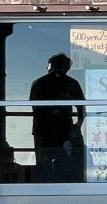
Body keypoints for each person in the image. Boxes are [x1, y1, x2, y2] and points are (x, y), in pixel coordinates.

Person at [30, 53, 86, 182]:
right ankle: (62, 183)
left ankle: (43, 185)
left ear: (50, 66)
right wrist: (78, 123)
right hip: (64, 128)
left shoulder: (38, 82)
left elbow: (33, 105)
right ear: (65, 68)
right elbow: (81, 105)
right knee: (66, 159)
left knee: (43, 160)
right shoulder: (71, 82)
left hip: (41, 128)